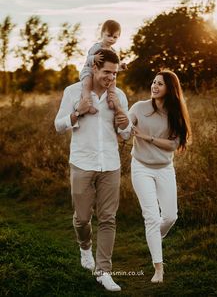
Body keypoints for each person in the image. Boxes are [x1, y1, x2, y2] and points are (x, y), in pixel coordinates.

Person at [54, 49, 130, 292]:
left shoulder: (118, 95)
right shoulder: (73, 92)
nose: (110, 77)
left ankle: (104, 271)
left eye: (114, 73)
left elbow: (126, 134)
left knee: (108, 218)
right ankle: (84, 246)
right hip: (82, 163)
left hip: (110, 165)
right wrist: (78, 112)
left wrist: (121, 115)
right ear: (94, 69)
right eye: (106, 71)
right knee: (82, 218)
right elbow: (58, 125)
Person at [129, 70, 191, 284]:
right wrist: (124, 129)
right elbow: (125, 128)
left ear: (170, 89)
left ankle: (154, 235)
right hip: (141, 167)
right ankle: (158, 269)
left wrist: (148, 137)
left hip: (164, 168)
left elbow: (173, 144)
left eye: (160, 84)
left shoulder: (175, 114)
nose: (154, 86)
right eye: (153, 82)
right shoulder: (139, 107)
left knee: (171, 216)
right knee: (152, 218)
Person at [80, 19, 127, 113]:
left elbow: (113, 67)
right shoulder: (97, 47)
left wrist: (121, 67)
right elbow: (88, 59)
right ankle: (87, 102)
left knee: (113, 81)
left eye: (115, 37)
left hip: (104, 74)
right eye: (109, 35)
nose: (111, 39)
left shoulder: (113, 51)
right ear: (102, 34)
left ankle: (111, 99)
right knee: (87, 84)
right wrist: (94, 58)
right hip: (89, 70)